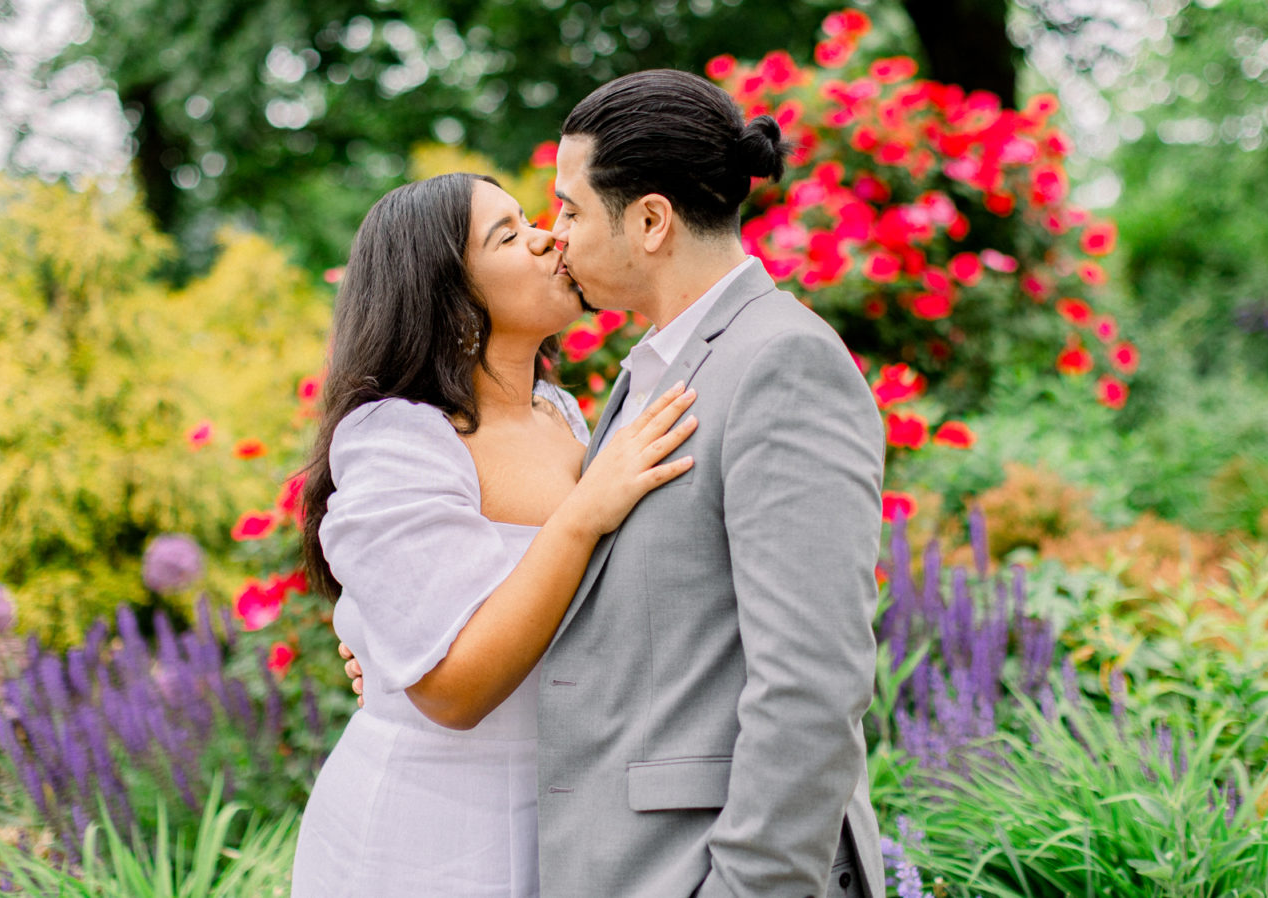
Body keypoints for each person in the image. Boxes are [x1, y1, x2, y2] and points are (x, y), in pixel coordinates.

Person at [342, 69, 888, 897]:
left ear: (651, 221)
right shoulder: (644, 377)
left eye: (567, 211)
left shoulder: (781, 360)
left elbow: (813, 685)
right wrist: (390, 650)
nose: (555, 238)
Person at [289, 171, 700, 897]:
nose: (547, 238)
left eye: (530, 220)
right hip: (431, 837)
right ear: (446, 295)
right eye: (508, 236)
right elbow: (453, 693)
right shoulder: (398, 438)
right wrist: (584, 512)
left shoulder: (562, 414)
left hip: (566, 814)